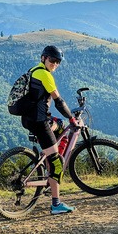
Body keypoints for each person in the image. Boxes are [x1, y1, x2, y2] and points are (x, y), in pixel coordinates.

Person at [21, 45, 78, 215]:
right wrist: (72, 118)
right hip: (40, 123)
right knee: (57, 163)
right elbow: (59, 102)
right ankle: (56, 204)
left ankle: (48, 162)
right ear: (43, 58)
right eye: (52, 60)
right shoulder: (45, 75)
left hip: (30, 119)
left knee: (59, 126)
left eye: (58, 62)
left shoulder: (33, 70)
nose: (55, 64)